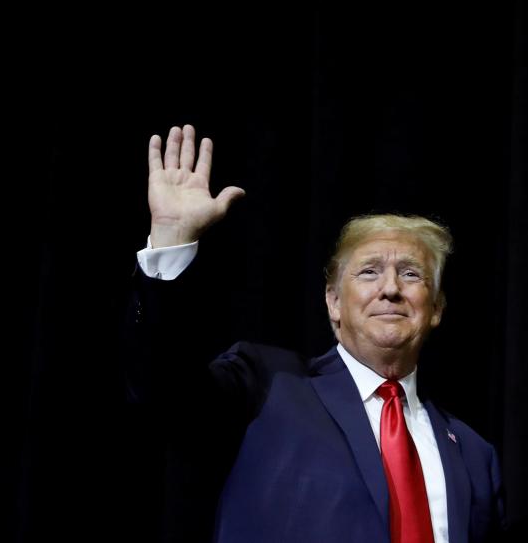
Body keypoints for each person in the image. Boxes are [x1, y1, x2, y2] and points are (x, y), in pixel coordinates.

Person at [126, 124, 506, 543]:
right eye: (369, 272)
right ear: (333, 302)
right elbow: (162, 390)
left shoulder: (473, 455)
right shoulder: (267, 384)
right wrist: (172, 239)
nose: (391, 288)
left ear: (436, 308)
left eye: (411, 274)